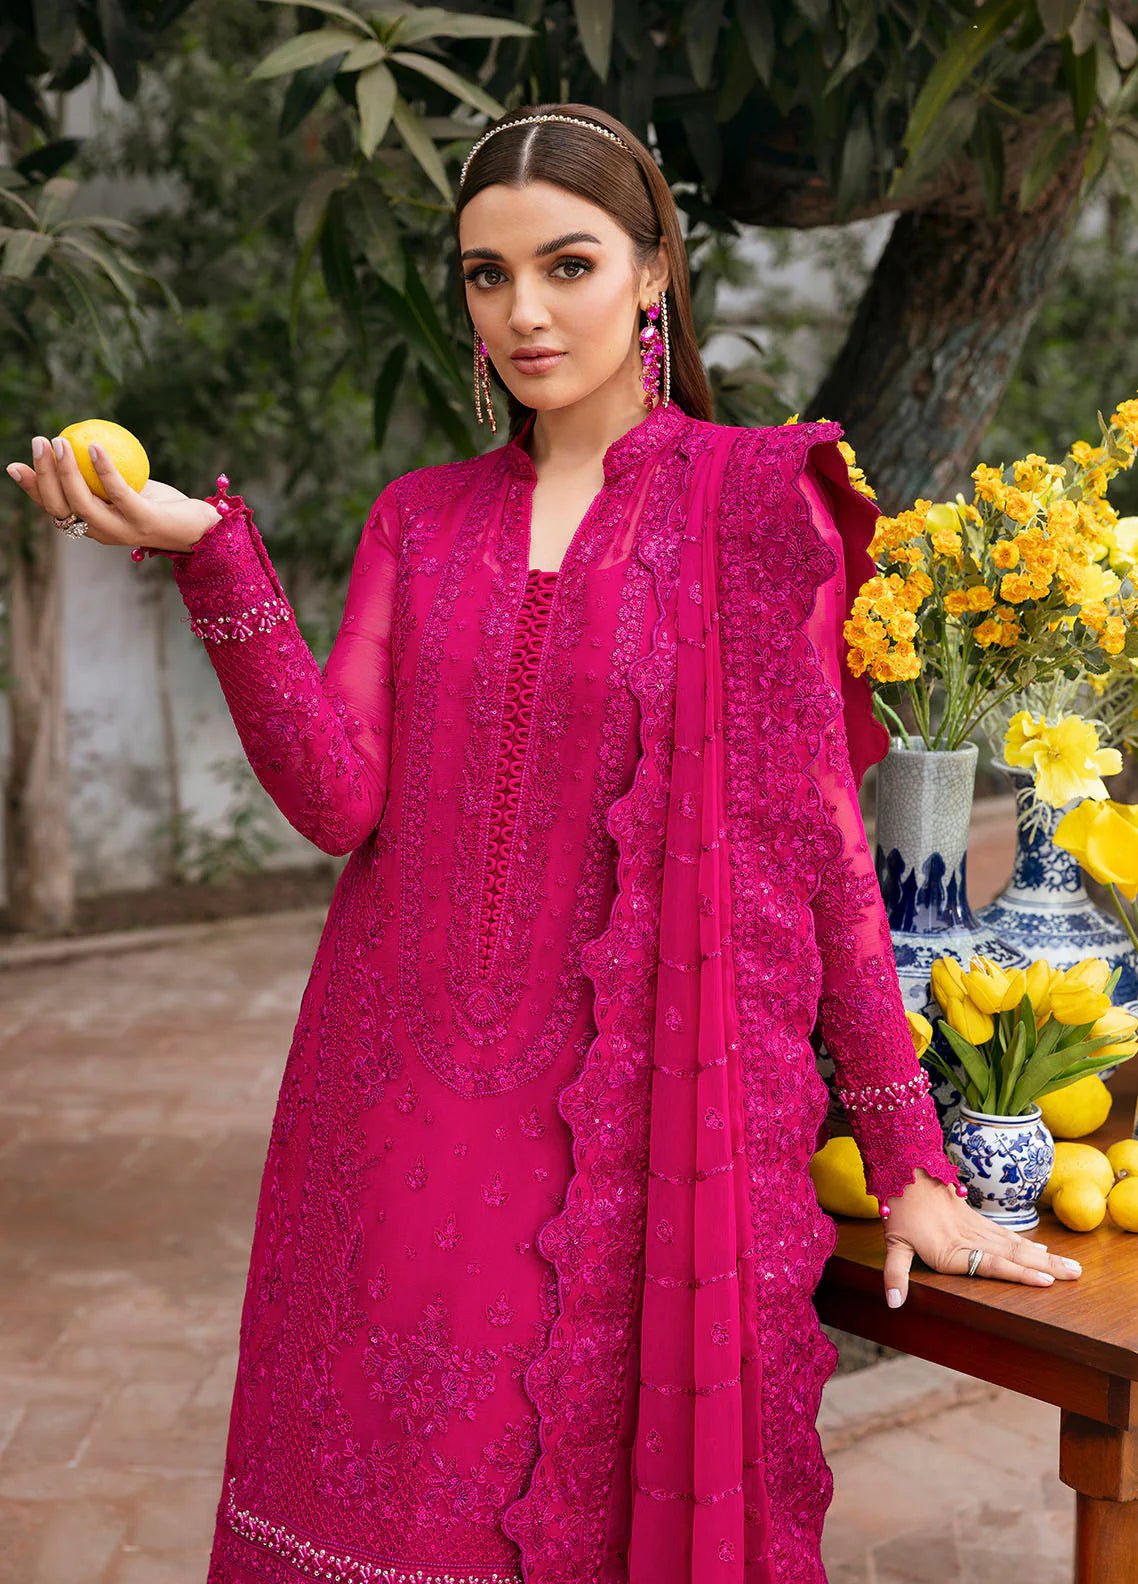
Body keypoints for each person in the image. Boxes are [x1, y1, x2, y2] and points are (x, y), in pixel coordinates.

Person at [7, 101, 1082, 1584]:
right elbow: (335, 800)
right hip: (383, 1115)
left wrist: (905, 1160)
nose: (521, 311)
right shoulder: (418, 520)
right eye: (483, 274)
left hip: (629, 1131)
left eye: (564, 265)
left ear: (652, 274)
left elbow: (822, 850)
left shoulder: (754, 504)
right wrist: (214, 561)